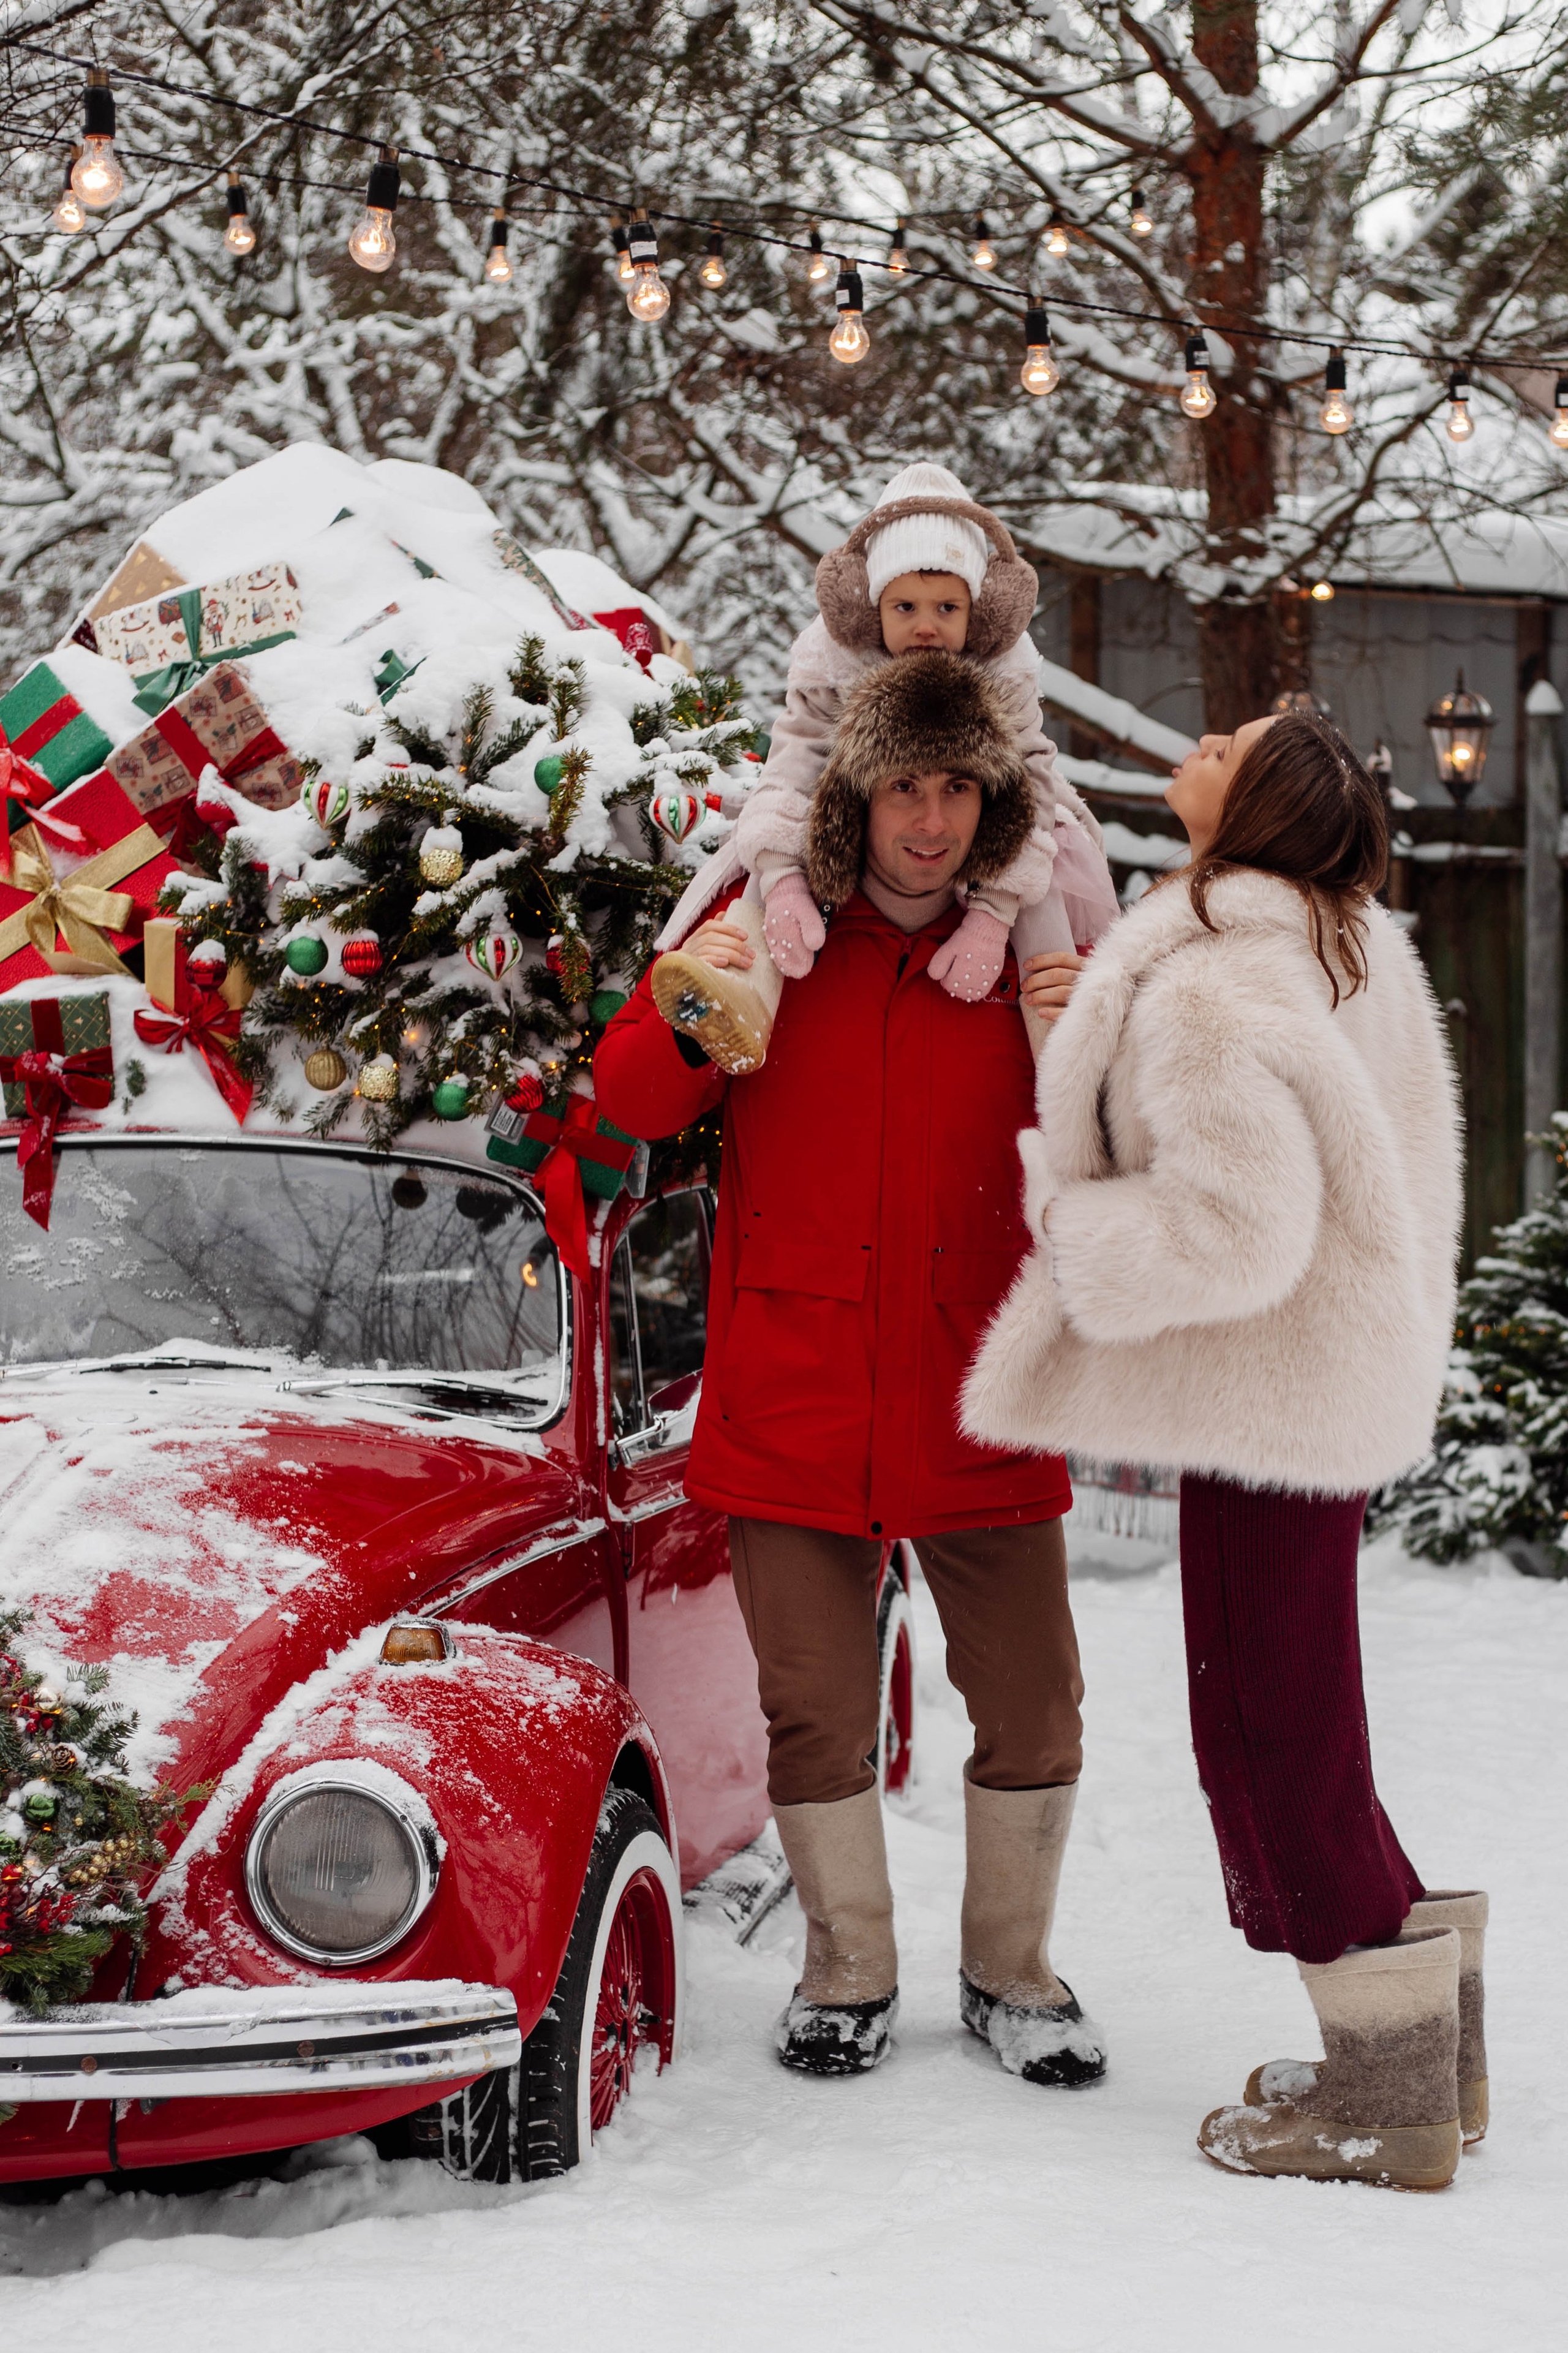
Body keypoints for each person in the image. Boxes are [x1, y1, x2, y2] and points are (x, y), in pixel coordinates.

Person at [962, 709, 1487, 2191]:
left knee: (1265, 1736)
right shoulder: (1343, 943)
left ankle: (1381, 2104)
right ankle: (1425, 2059)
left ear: (1247, 800)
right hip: (1323, 1387)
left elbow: (1225, 1229)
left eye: (1227, 738)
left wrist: (1068, 1231)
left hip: (1269, 1395)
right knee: (1309, 1720)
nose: (1196, 735)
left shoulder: (1221, 973)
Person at [596, 648, 1107, 2087]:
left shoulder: (1029, 960)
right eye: (903, 786)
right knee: (811, 1703)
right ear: (856, 793)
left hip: (980, 1389)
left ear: (990, 797)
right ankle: (845, 1968)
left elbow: (1125, 1157)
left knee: (1033, 1703)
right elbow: (632, 1094)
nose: (928, 820)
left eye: (956, 787)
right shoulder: (774, 940)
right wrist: (698, 993)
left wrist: (1091, 1052)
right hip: (796, 1382)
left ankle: (1012, 1970)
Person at [645, 461, 1117, 1075]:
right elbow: (793, 763)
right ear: (872, 606)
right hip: (851, 803)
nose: (926, 624)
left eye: (948, 606)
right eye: (905, 606)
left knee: (1044, 875)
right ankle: (744, 991)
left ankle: (1060, 1039)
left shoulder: (1005, 662)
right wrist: (785, 876)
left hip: (989, 814)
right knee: (766, 850)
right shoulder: (834, 654)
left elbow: (1032, 775)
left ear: (977, 610)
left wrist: (991, 915)